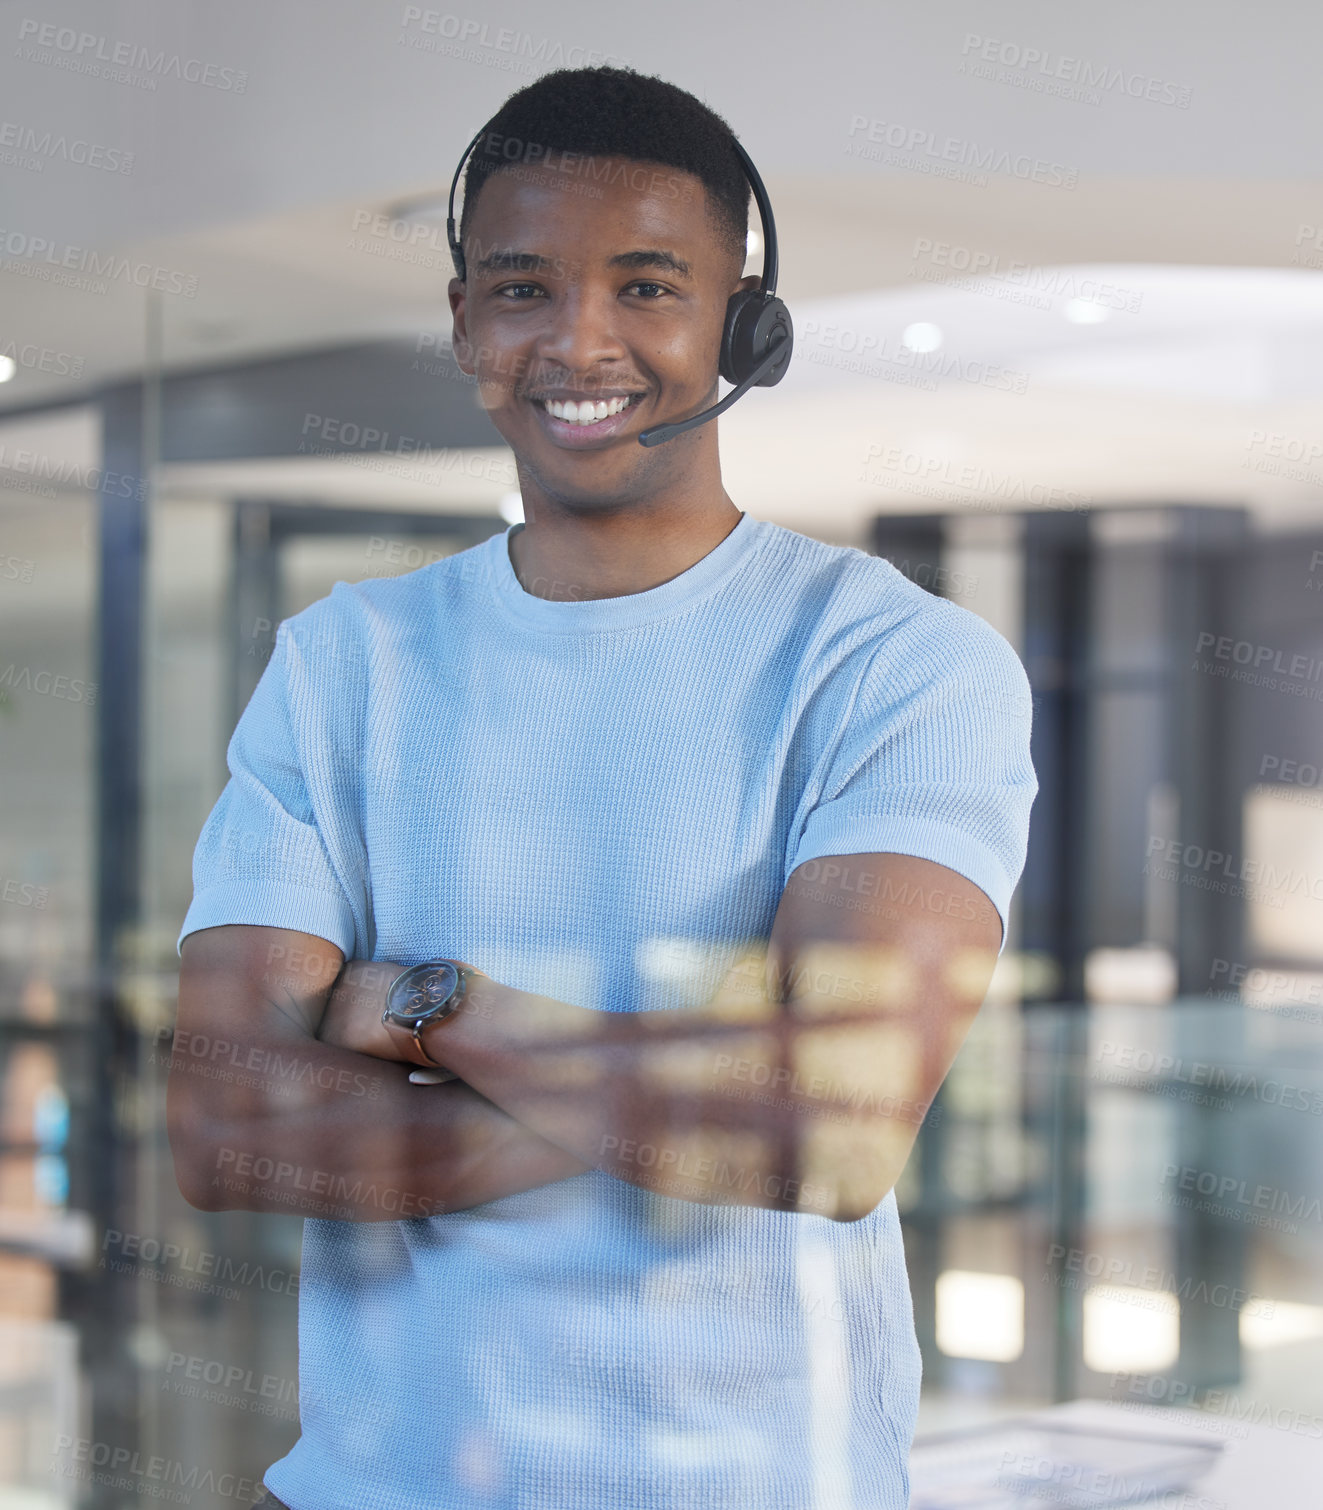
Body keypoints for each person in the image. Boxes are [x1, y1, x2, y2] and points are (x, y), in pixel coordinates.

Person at [168, 65, 1037, 1510]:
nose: (581, 340)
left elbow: (829, 1132)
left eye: (647, 286)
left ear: (742, 323)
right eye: (522, 288)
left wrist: (433, 1008)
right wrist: (686, 1094)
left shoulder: (897, 663)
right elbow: (227, 1129)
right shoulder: (342, 664)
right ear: (465, 322)